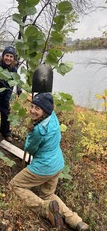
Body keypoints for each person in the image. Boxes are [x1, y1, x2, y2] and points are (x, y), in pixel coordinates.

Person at [9, 93, 90, 231]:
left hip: (43, 167)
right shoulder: (53, 117)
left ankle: (46, 209)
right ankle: (76, 221)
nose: (33, 110)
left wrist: (30, 132)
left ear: (45, 111)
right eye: (32, 106)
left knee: (15, 186)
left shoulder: (38, 131)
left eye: (37, 109)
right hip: (57, 164)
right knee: (47, 194)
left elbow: (29, 148)